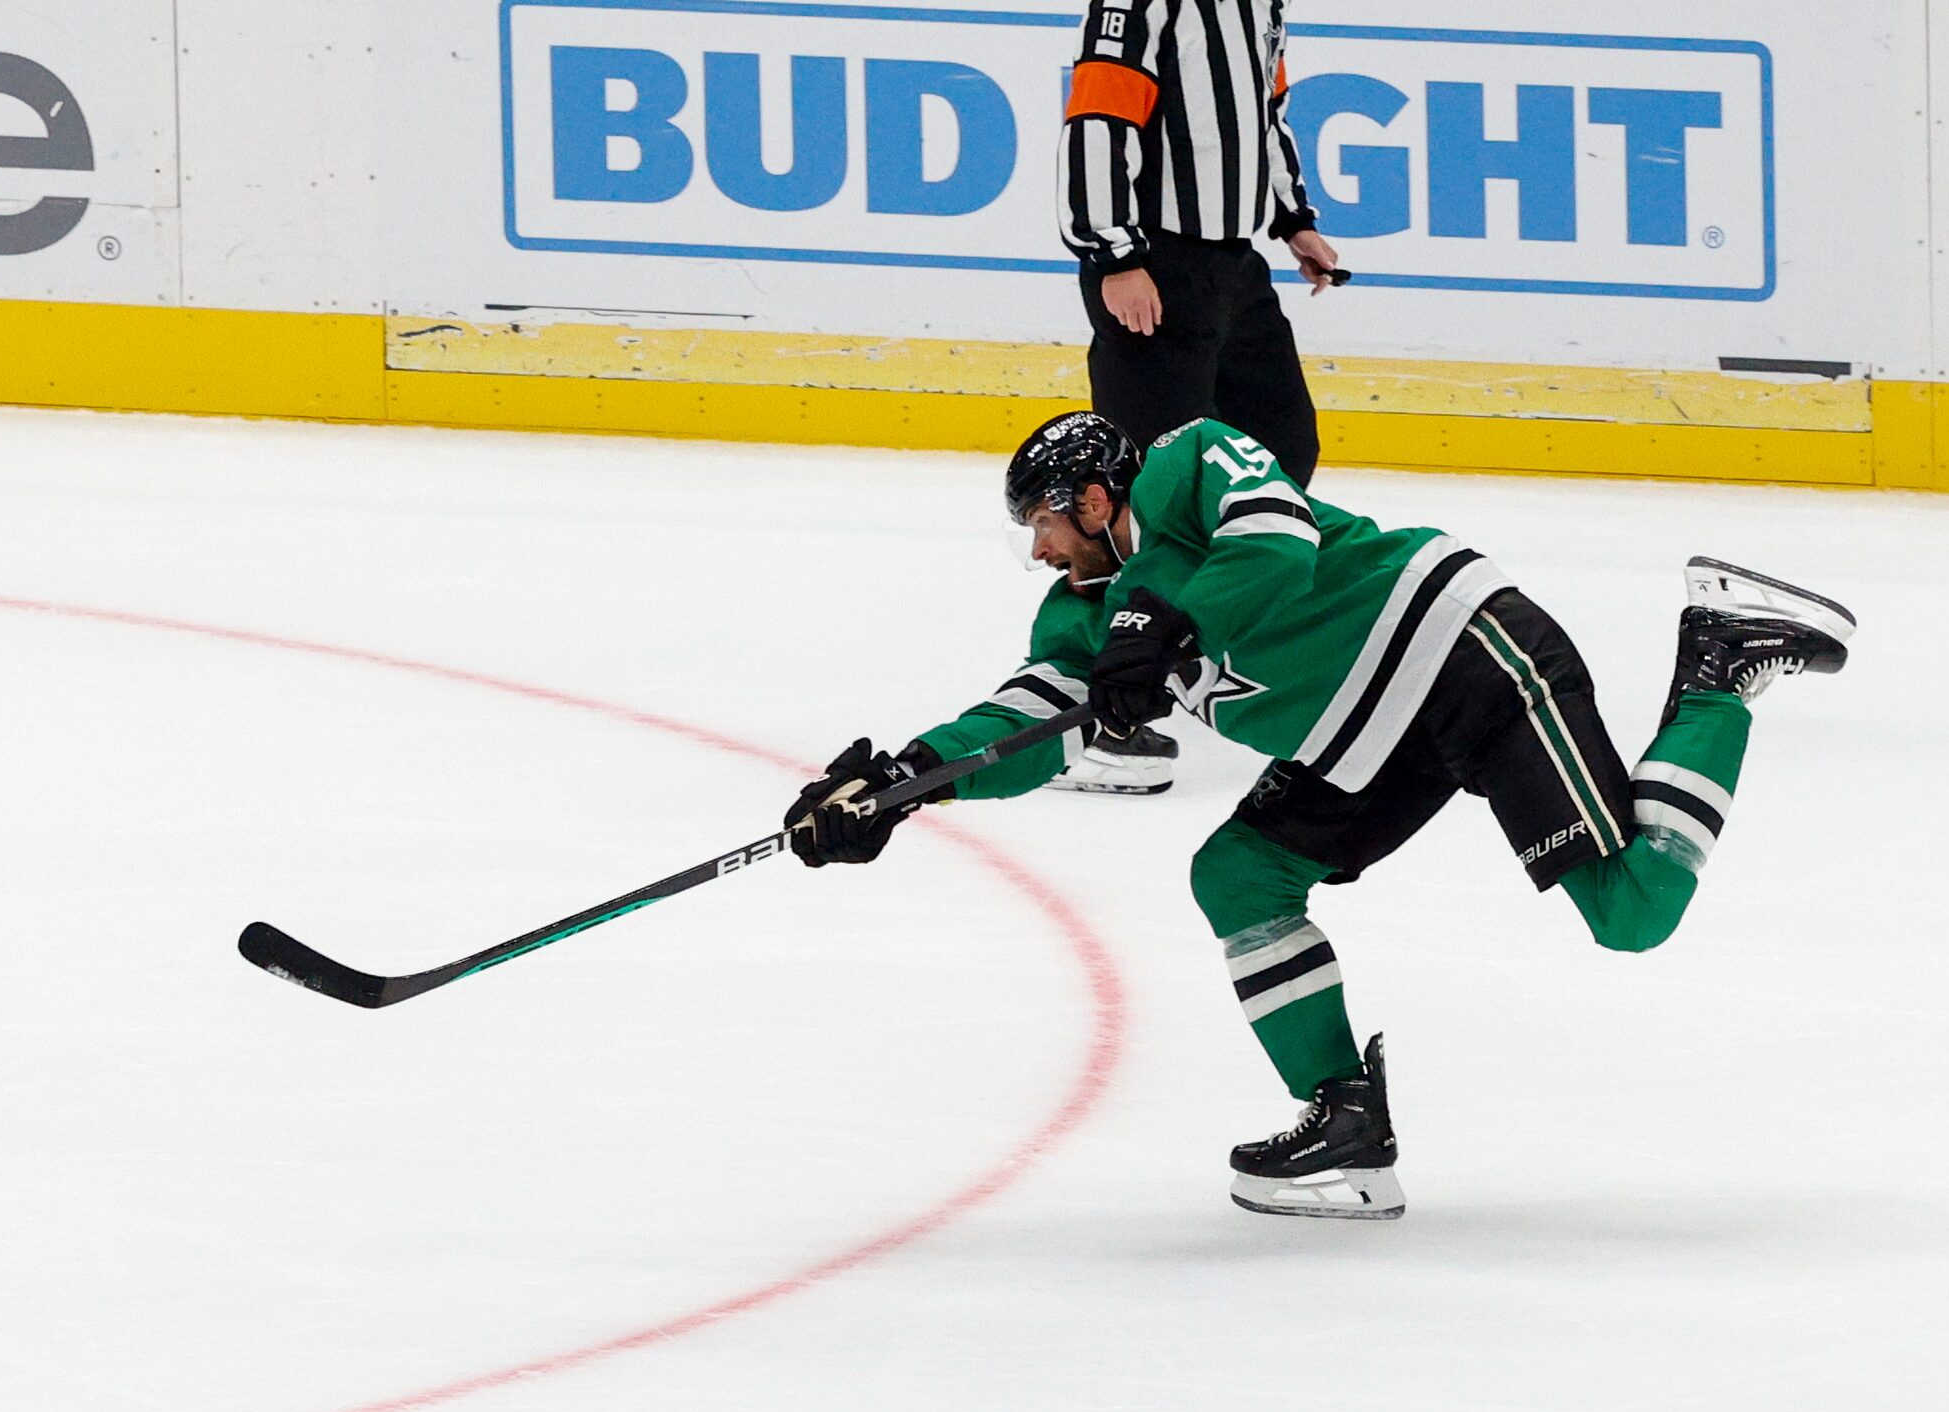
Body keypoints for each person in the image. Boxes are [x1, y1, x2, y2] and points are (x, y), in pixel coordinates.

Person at [781, 412, 1853, 1219]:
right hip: (1363, 741)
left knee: (1632, 912)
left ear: (1098, 497)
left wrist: (1166, 619)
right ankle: (1346, 1123)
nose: (1043, 552)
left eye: (1047, 525)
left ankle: (1719, 665)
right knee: (1237, 873)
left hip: (1457, 647)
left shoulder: (1187, 461)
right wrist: (907, 783)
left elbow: (1278, 538)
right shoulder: (1084, 615)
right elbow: (1029, 721)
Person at [1054, 0, 1351, 801]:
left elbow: (1264, 109)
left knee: (1279, 458)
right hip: (1151, 257)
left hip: (1230, 265)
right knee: (1142, 498)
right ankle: (1098, 715)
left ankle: (1211, 652)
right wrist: (1114, 252)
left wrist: (1292, 220)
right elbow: (1096, 119)